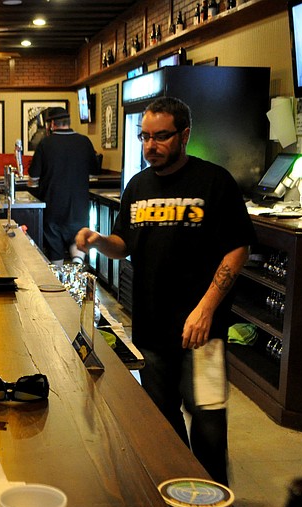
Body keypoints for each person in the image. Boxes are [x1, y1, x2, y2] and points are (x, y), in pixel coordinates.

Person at [75, 96, 255, 486]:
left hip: (203, 333)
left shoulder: (214, 181)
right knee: (161, 418)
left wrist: (206, 308)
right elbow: (125, 243)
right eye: (144, 137)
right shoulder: (138, 186)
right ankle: (179, 488)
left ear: (185, 135)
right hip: (153, 327)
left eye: (160, 137)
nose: (150, 146)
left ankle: (214, 504)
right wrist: (99, 241)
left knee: (207, 423)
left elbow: (239, 247)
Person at [29, 107, 100, 266]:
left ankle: (59, 277)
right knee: (78, 236)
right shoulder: (84, 141)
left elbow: (33, 177)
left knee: (55, 243)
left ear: (52, 123)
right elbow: (95, 173)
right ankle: (76, 265)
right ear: (68, 122)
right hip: (79, 204)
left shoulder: (45, 143)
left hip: (53, 203)